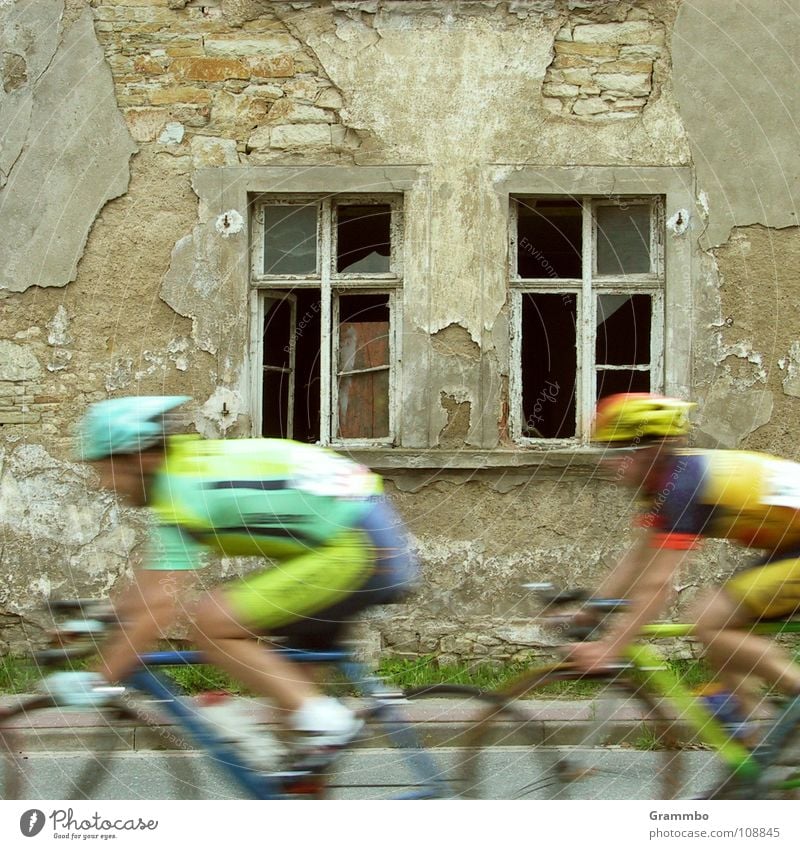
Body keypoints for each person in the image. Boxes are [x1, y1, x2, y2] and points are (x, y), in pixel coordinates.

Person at [48, 395, 418, 759]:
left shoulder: (184, 491)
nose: (105, 484)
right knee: (294, 729)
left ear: (139, 457)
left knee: (212, 622)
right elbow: (150, 589)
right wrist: (100, 618)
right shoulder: (181, 473)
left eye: (107, 470)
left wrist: (100, 679)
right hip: (348, 539)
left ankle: (331, 722)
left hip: (359, 548)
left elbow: (159, 606)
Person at [568, 392, 800, 732]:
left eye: (620, 453)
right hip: (788, 547)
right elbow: (638, 560)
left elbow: (659, 583)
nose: (610, 464)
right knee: (719, 623)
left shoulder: (682, 488)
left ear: (651, 452)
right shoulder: (667, 483)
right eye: (608, 452)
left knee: (708, 618)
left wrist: (611, 648)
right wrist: (589, 607)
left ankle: (791, 692)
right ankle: (757, 754)